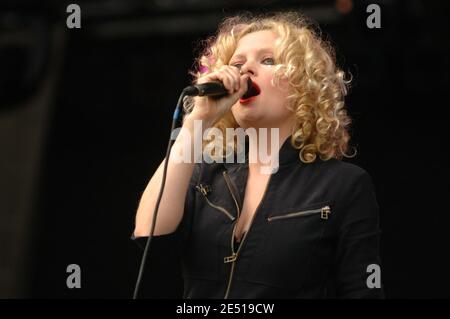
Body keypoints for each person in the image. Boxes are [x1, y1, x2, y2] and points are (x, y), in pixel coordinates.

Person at [133, 11, 384, 299]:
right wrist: (198, 120)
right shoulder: (206, 173)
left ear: (304, 86)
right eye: (237, 64)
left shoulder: (343, 185)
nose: (246, 70)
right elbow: (149, 234)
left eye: (268, 60)